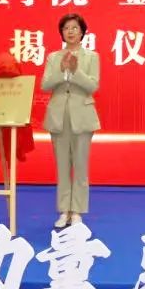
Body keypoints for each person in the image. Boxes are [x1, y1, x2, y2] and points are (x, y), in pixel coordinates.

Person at [40, 13, 100, 229]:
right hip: (59, 116)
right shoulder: (53, 57)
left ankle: (77, 211)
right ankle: (64, 210)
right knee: (62, 167)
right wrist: (61, 69)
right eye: (66, 28)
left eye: (75, 28)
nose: (70, 31)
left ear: (82, 32)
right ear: (61, 33)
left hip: (82, 116)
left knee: (81, 166)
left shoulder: (92, 57)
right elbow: (45, 85)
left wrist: (76, 71)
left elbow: (93, 86)